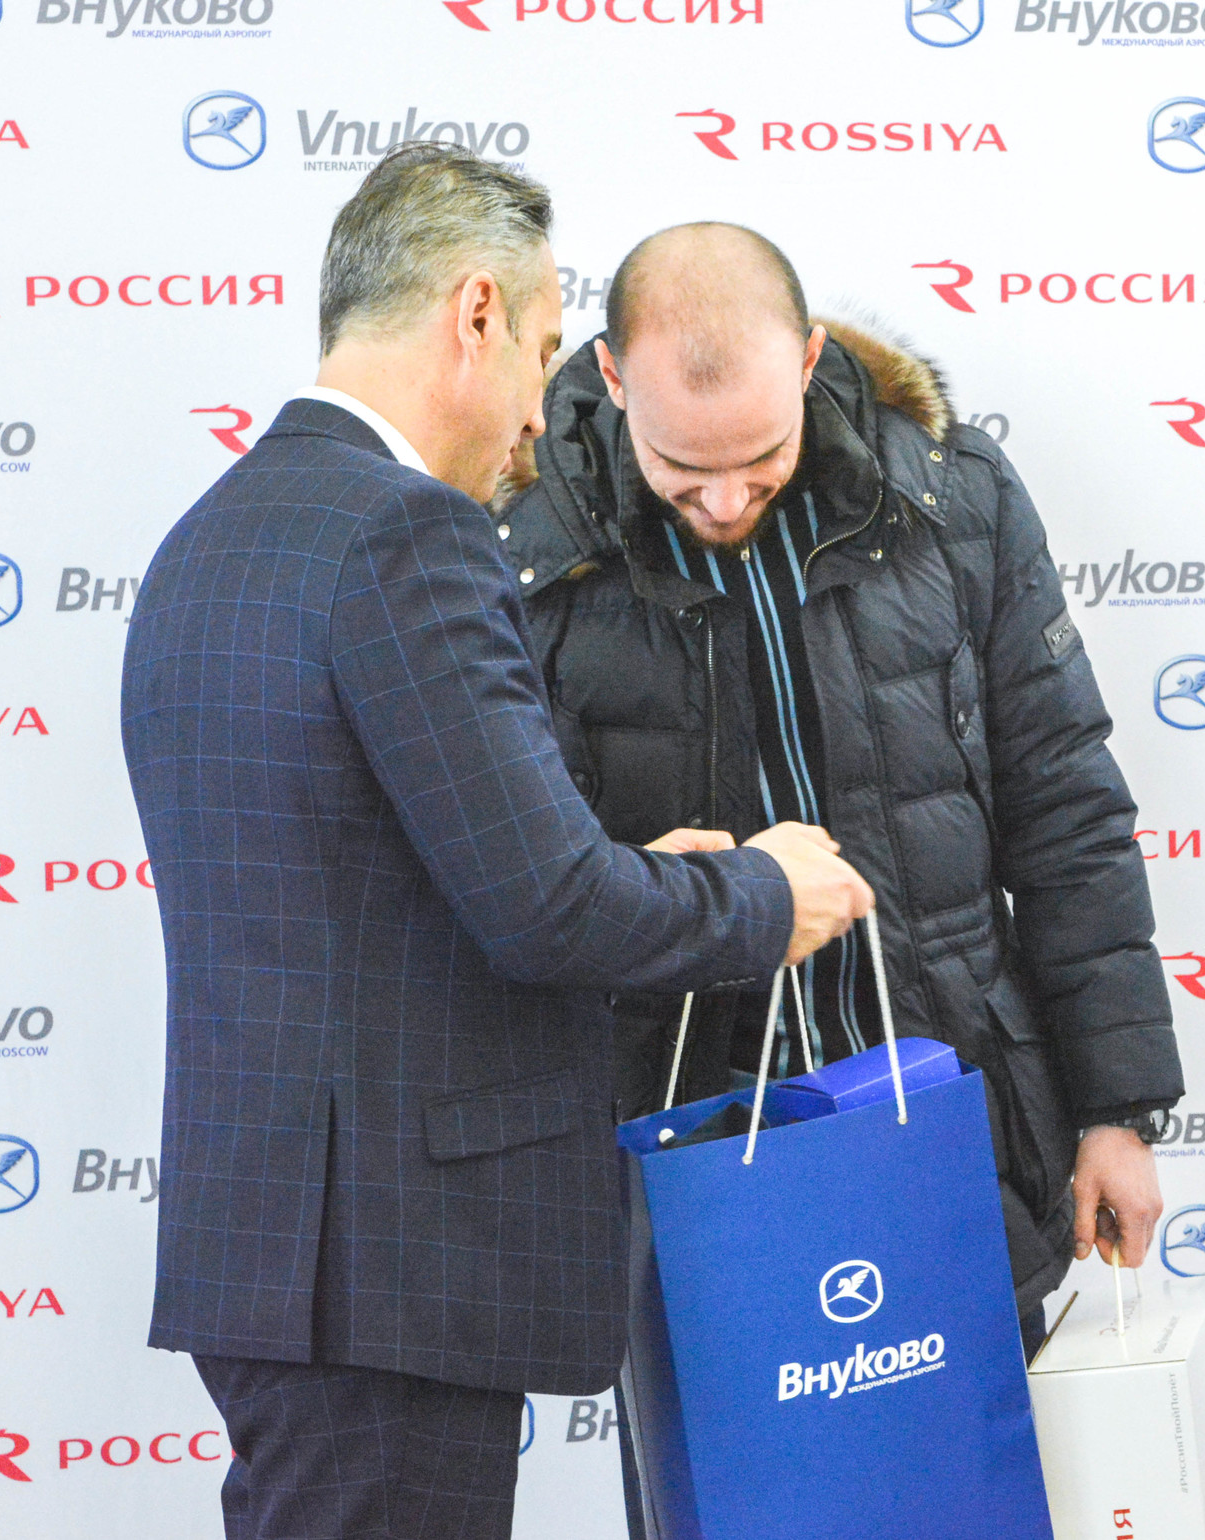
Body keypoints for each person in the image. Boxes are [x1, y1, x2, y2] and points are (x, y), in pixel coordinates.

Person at [120, 148, 873, 1540]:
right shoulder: (407, 533)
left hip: (282, 1262)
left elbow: (388, 879)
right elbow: (547, 906)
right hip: (392, 1274)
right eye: (539, 350)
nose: (540, 412)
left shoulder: (209, 538)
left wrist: (652, 872)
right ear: (474, 313)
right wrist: (761, 892)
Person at [499, 222, 1183, 1344]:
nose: (727, 501)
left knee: (974, 1451)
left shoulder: (950, 496)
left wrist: (1117, 1107)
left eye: (759, 457)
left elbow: (1064, 803)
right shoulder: (525, 550)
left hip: (946, 1122)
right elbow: (528, 886)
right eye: (683, 469)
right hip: (690, 1148)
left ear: (810, 360)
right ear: (613, 379)